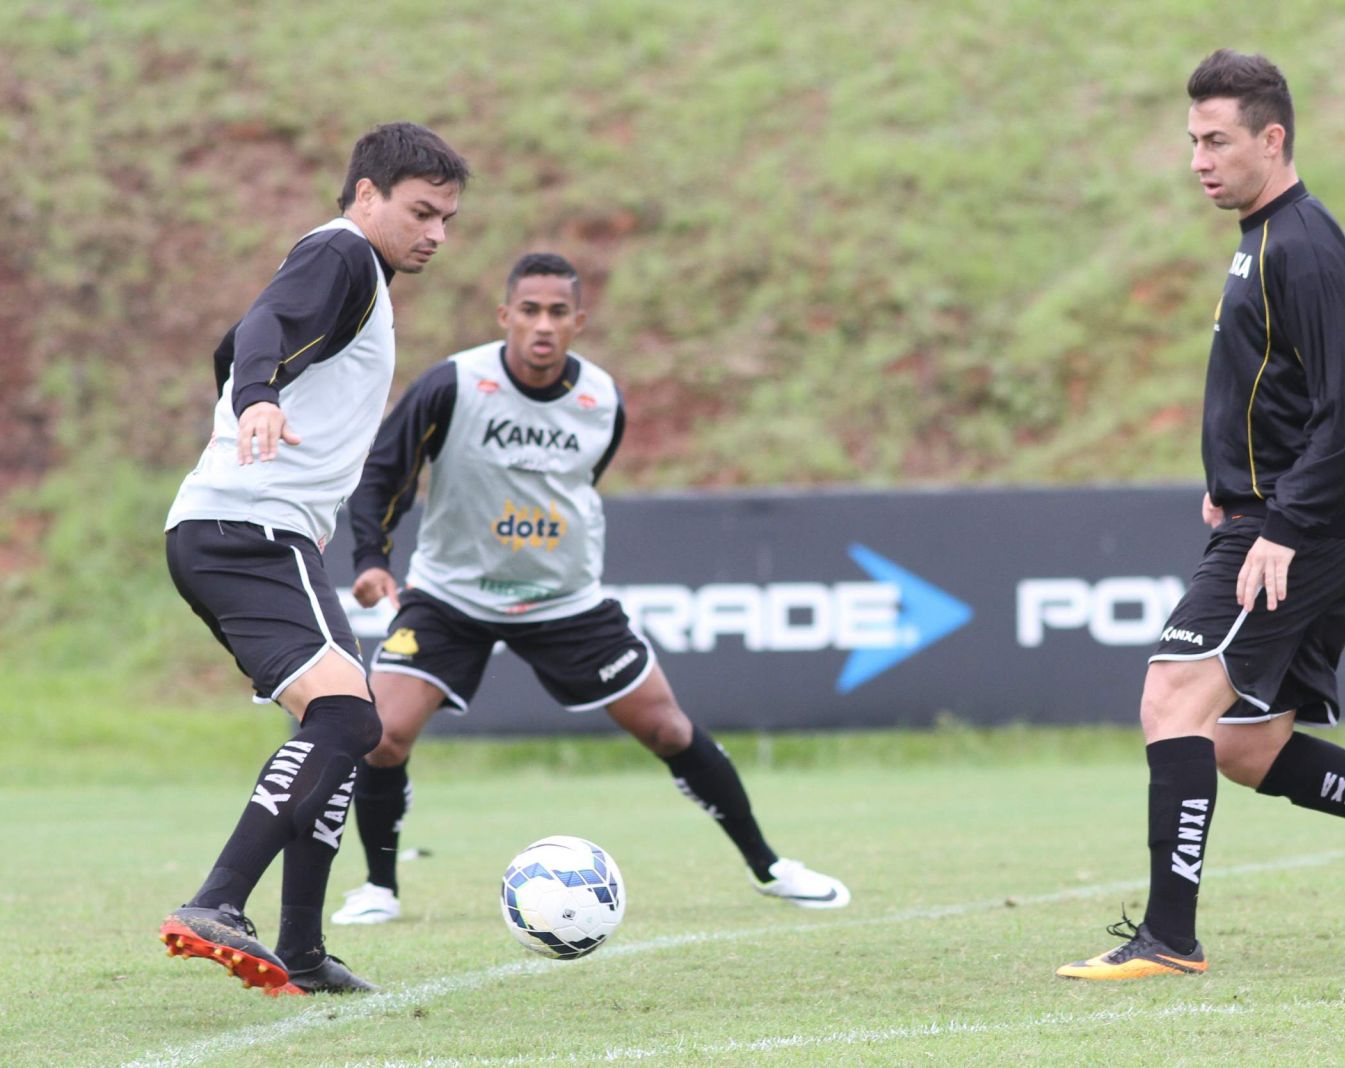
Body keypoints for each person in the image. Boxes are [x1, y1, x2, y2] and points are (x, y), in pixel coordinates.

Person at [1056, 51, 1345, 981]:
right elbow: (1282, 388)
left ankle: (1169, 938)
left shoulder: (1301, 244)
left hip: (1297, 529)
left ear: (1273, 139)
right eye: (1193, 141)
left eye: (1217, 141)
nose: (1199, 160)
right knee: (1245, 744)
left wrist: (1281, 523)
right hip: (1280, 515)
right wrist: (1232, 477)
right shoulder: (1265, 237)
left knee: (1173, 698)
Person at [329, 252, 849, 927]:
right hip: (452, 596)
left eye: (557, 313)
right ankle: (379, 888)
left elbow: (583, 481)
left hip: (563, 600)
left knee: (667, 727)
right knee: (383, 735)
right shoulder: (453, 384)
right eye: (529, 310)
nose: (542, 325)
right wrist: (372, 557)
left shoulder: (602, 399)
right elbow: (383, 471)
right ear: (505, 316)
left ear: (579, 321)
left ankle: (770, 867)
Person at [160, 122, 470, 995]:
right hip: (249, 531)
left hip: (253, 530)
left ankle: (299, 947)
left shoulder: (353, 272)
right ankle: (216, 901)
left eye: (447, 219)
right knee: (346, 721)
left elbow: (234, 342)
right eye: (421, 212)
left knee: (346, 724)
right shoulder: (343, 253)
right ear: (366, 194)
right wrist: (257, 398)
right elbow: (262, 328)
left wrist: (249, 400)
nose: (437, 234)